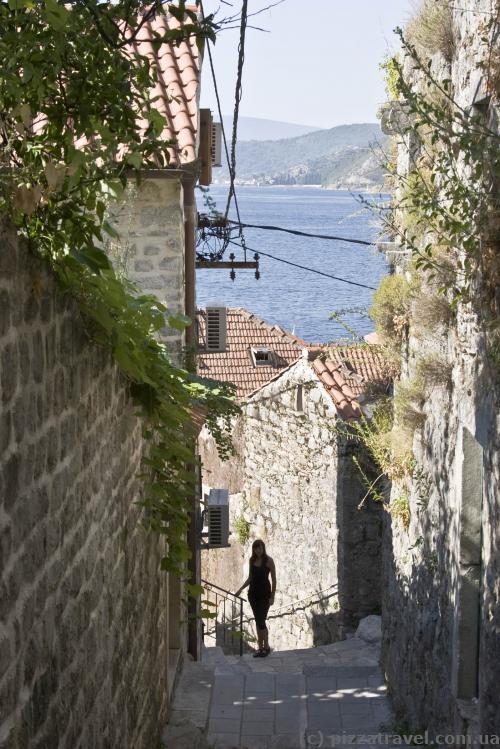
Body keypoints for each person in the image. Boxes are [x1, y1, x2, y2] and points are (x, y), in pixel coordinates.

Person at [235, 539, 276, 657]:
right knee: (258, 621)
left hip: (264, 595)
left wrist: (272, 597)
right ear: (253, 549)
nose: (258, 550)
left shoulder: (269, 561)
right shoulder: (252, 560)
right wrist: (240, 589)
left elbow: (274, 580)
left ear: (263, 548)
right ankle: (260, 648)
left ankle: (266, 647)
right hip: (253, 595)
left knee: (261, 621)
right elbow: (250, 578)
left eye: (260, 548)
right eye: (256, 548)